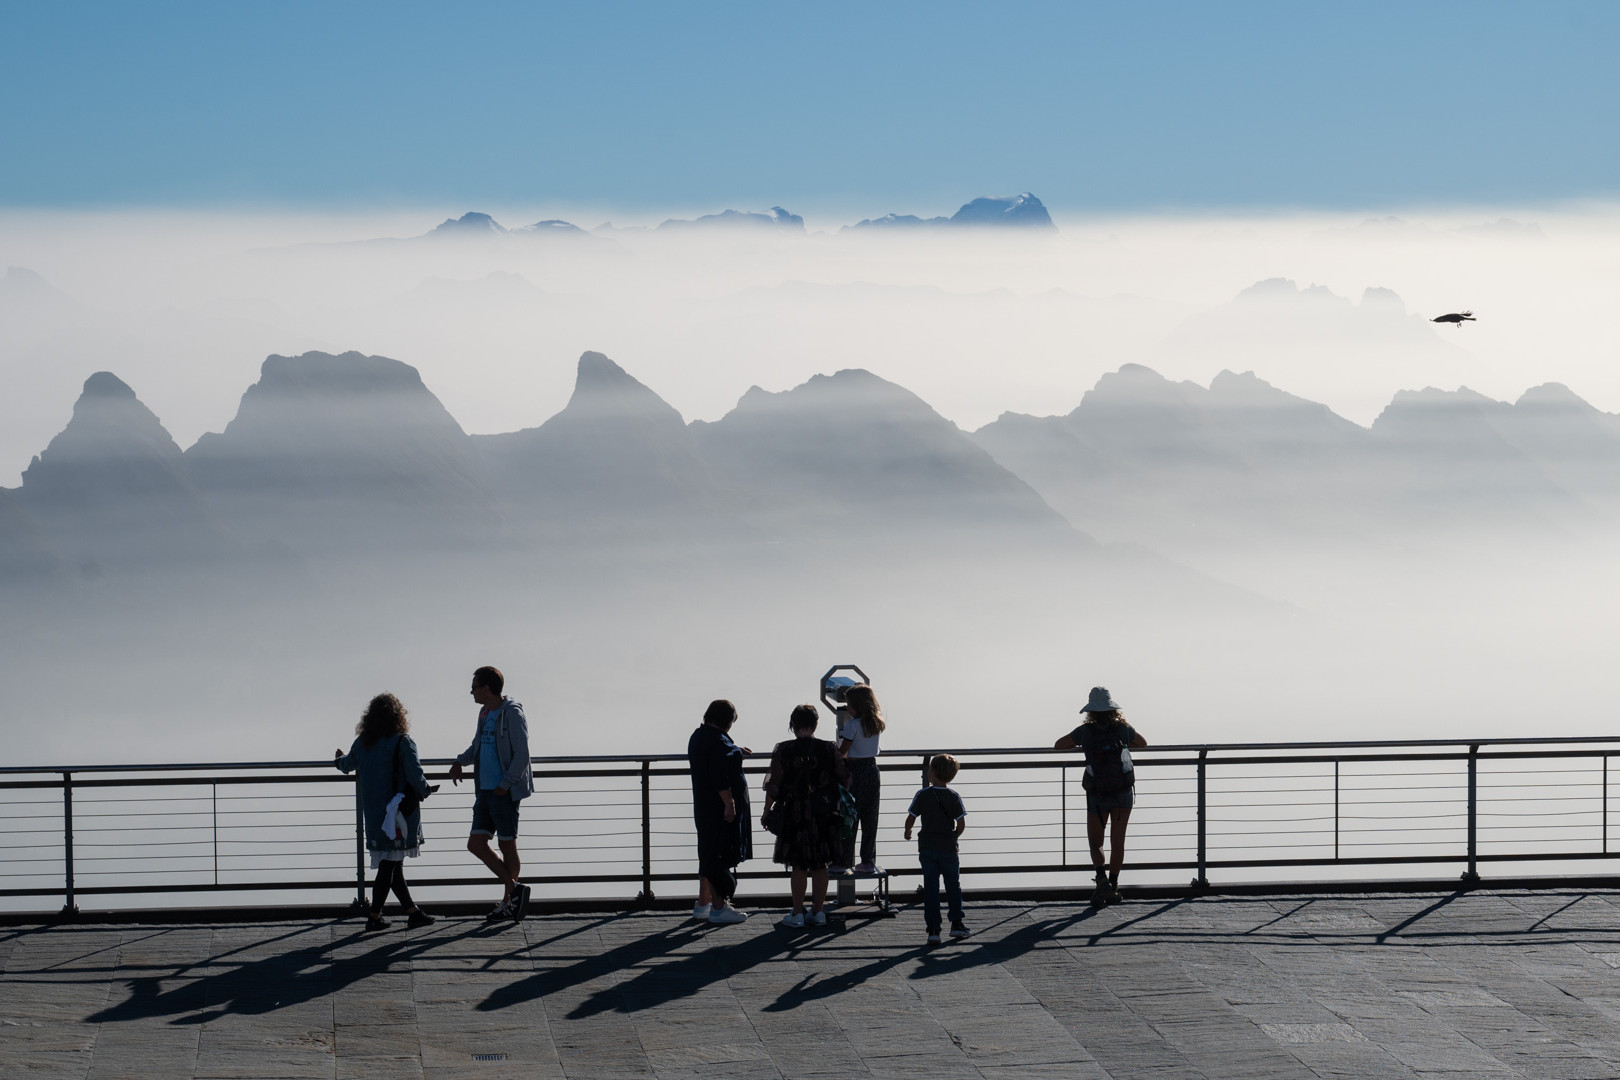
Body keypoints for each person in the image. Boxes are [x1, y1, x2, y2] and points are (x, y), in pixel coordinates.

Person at [335, 693, 436, 931]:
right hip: (398, 815)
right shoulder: (403, 742)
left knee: (393, 863)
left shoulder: (362, 743)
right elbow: (415, 773)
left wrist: (337, 759)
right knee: (389, 866)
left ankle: (413, 912)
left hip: (375, 815)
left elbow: (347, 765)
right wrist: (426, 790)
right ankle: (374, 916)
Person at [449, 665, 533, 922]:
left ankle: (509, 902)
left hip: (503, 792)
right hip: (484, 790)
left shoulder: (512, 714)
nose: (471, 691)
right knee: (476, 844)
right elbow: (478, 745)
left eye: (474, 686)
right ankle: (515, 889)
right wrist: (460, 761)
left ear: (486, 688)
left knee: (507, 845)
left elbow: (522, 755)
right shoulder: (485, 713)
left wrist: (505, 785)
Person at [1054, 686, 1148, 906]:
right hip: (1123, 791)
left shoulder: (1085, 731)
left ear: (1091, 711)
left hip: (1097, 794)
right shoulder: (1123, 728)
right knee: (1118, 841)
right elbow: (1143, 743)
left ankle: (1102, 881)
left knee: (1096, 843)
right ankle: (1113, 886)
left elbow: (1059, 745)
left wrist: (1082, 744)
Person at [762, 704, 849, 928]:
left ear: (792, 725)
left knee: (798, 865)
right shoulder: (828, 748)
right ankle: (818, 912)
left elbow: (773, 785)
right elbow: (844, 777)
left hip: (794, 812)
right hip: (823, 812)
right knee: (821, 863)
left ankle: (797, 913)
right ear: (815, 724)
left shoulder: (783, 749)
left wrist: (766, 812)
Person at [688, 699, 753, 925]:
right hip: (717, 808)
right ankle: (718, 907)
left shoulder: (699, 736)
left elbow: (716, 755)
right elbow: (718, 774)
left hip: (704, 806)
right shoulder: (716, 742)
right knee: (717, 853)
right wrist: (729, 802)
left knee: (707, 851)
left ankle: (703, 902)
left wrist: (734, 750)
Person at [904, 753, 968, 945]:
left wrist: (908, 830)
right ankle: (956, 924)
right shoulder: (954, 797)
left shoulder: (922, 795)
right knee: (953, 885)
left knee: (931, 888)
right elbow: (961, 824)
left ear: (933, 773)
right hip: (948, 848)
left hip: (927, 848)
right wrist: (954, 836)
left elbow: (911, 817)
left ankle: (933, 929)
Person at [834, 683, 885, 874]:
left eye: (848, 704)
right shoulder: (876, 724)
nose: (846, 707)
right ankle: (868, 861)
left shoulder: (852, 725)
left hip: (854, 771)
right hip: (872, 769)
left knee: (849, 815)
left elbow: (843, 752)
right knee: (870, 817)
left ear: (857, 705)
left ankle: (844, 861)